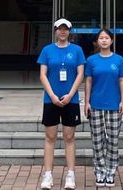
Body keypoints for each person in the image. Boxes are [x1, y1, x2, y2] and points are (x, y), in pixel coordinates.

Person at [38, 18, 86, 190]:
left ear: (69, 31)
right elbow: (43, 74)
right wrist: (52, 95)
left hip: (70, 100)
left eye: (66, 29)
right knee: (50, 136)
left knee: (69, 137)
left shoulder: (77, 50)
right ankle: (48, 174)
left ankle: (71, 174)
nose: (63, 31)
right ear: (55, 31)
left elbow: (80, 74)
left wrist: (70, 94)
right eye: (60, 28)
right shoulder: (47, 50)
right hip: (50, 99)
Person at [84, 28, 123, 187]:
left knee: (113, 141)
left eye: (107, 38)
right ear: (97, 41)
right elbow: (88, 81)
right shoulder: (91, 60)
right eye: (101, 38)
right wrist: (86, 102)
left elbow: (122, 80)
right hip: (96, 105)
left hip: (114, 105)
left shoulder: (119, 60)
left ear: (111, 41)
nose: (104, 40)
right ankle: (100, 171)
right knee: (97, 140)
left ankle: (111, 171)